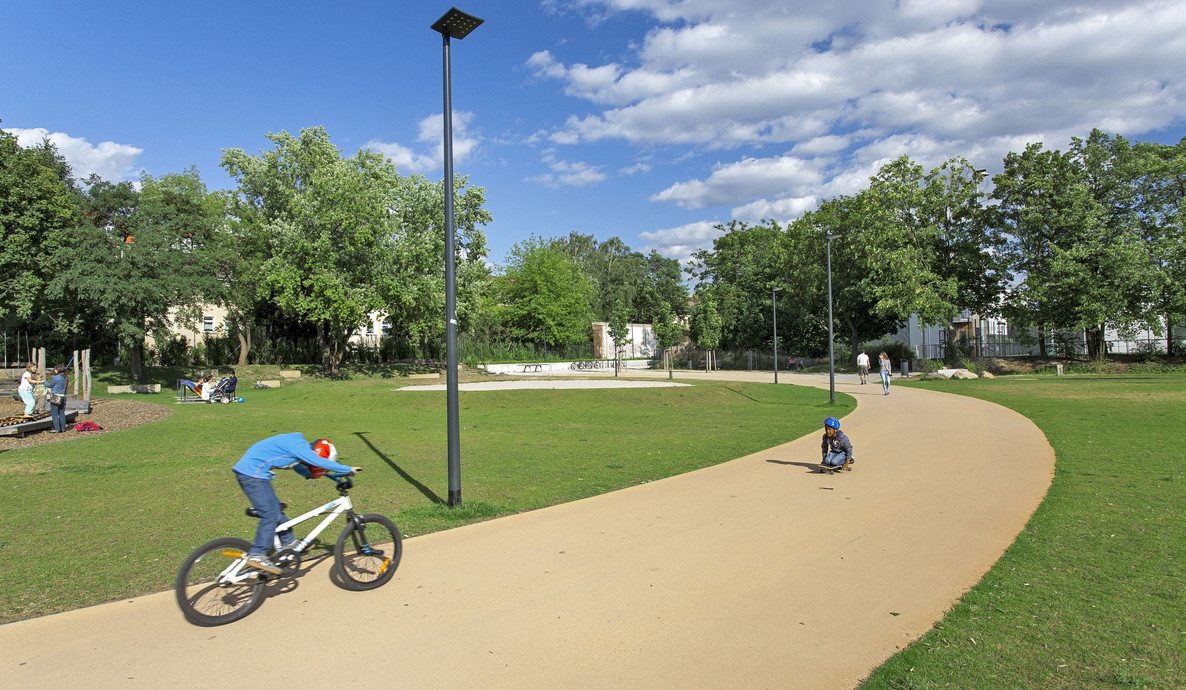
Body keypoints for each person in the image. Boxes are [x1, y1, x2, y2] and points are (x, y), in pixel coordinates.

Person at [231, 433, 361, 574]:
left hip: (253, 473)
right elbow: (318, 462)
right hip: (252, 474)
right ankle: (257, 554)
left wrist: (325, 475)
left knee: (276, 510)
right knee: (270, 514)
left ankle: (290, 542)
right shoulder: (300, 446)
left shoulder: (298, 447)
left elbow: (301, 468)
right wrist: (347, 469)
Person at [48, 365, 68, 432]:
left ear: (57, 370)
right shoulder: (66, 377)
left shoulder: (56, 377)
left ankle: (57, 429)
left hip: (56, 396)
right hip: (63, 396)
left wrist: (43, 382)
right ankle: (63, 428)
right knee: (61, 412)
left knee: (54, 413)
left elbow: (50, 385)